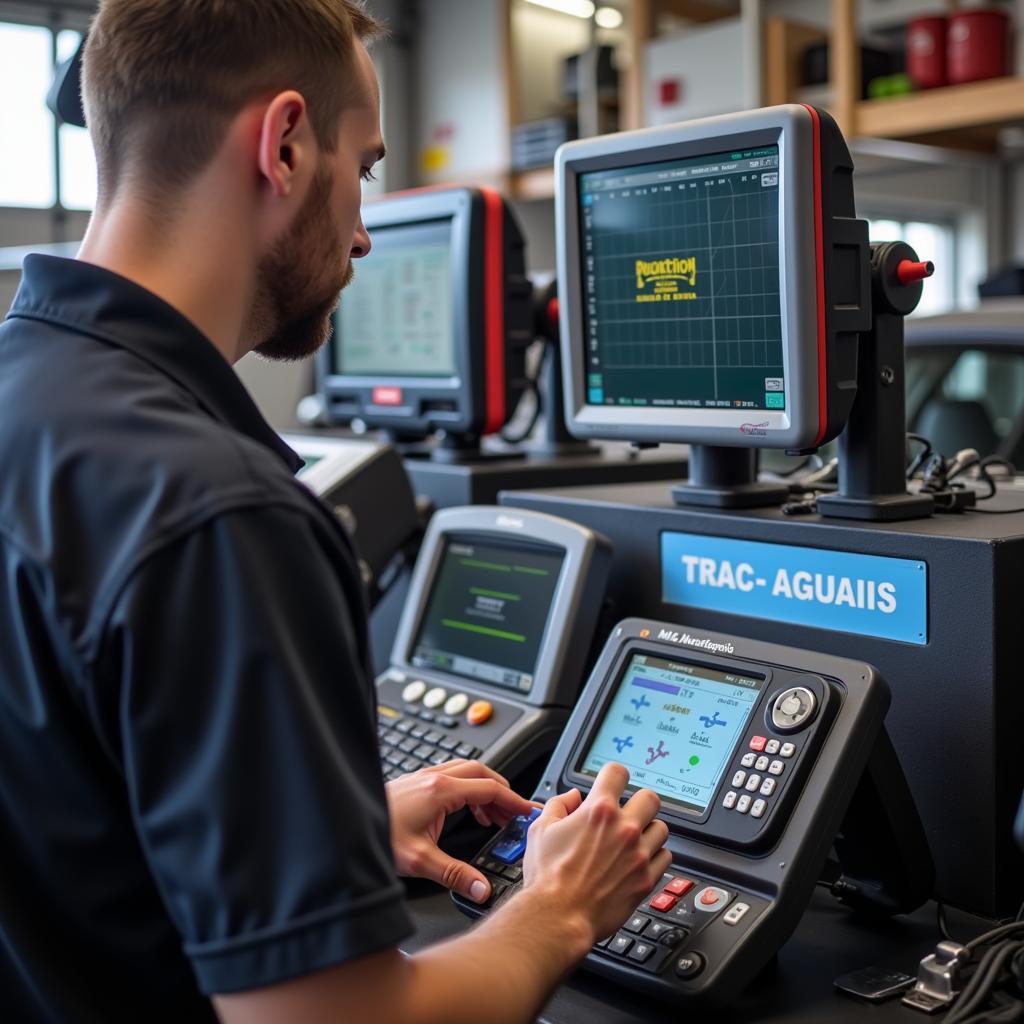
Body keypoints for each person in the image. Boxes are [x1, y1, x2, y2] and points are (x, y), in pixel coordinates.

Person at [0, 2, 671, 1022]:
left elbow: (71, 808)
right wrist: (561, 909)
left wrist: (324, 841)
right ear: (284, 144)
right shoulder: (222, 515)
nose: (361, 229)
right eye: (363, 165)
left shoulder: (26, 401)